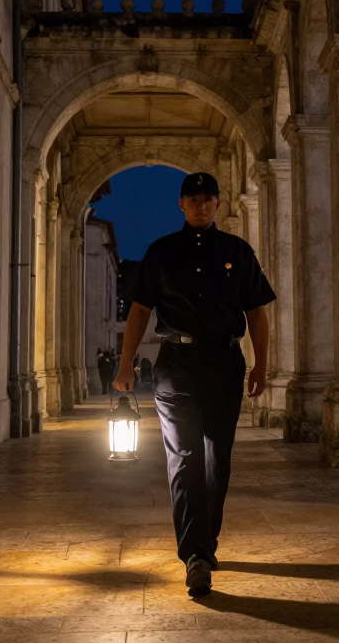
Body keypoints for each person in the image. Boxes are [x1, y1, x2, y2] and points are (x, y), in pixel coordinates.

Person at [113, 171, 275, 597]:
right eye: (193, 199)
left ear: (217, 205)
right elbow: (139, 311)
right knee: (184, 456)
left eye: (208, 199)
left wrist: (261, 365)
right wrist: (125, 364)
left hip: (224, 362)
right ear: (181, 205)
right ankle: (195, 555)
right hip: (176, 366)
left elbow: (257, 311)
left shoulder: (237, 252)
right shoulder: (161, 252)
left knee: (216, 458)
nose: (201, 205)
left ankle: (207, 540)